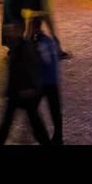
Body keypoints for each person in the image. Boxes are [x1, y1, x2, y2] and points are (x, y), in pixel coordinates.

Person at [0, 19, 51, 145]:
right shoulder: (19, 45)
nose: (9, 31)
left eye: (12, 29)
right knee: (28, 120)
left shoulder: (23, 47)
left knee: (15, 120)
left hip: (23, 91)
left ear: (19, 30)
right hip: (20, 90)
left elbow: (28, 68)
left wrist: (27, 87)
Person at [32, 15, 63, 144]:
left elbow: (42, 61)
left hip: (43, 81)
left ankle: (43, 138)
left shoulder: (38, 43)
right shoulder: (50, 40)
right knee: (55, 111)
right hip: (54, 80)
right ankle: (58, 137)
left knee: (32, 110)